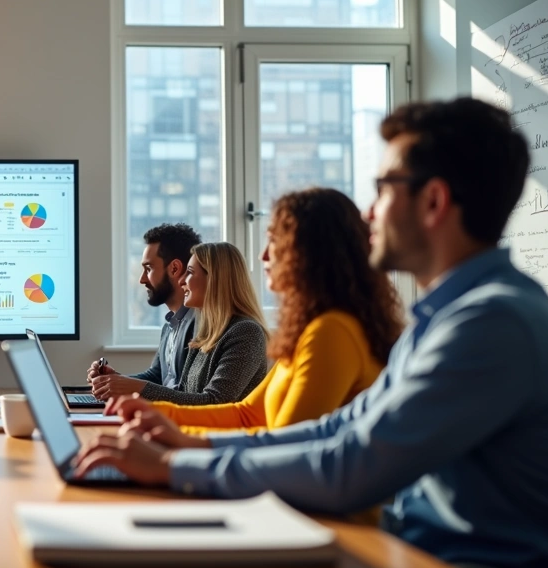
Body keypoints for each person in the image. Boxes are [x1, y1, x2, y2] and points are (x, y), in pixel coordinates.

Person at [75, 98, 548, 568]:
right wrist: (193, 445)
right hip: (417, 559)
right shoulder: (446, 318)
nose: (369, 212)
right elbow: (337, 428)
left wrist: (173, 466)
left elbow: (351, 465)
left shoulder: (491, 323)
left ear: (433, 202)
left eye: (382, 189)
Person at [110, 188, 403, 440]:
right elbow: (247, 414)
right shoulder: (308, 331)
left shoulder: (333, 332)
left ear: (312, 253)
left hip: (307, 503)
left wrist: (176, 455)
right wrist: (153, 414)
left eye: (274, 241)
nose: (263, 256)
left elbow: (285, 447)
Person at [93, 242, 268, 406]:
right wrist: (120, 382)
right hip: (190, 431)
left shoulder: (246, 332)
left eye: (190, 272)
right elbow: (181, 392)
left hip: (221, 438)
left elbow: (215, 402)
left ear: (214, 279)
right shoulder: (205, 333)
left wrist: (136, 388)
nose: (181, 280)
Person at [86, 223, 200, 398]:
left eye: (149, 269)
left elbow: (188, 395)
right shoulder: (171, 324)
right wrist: (114, 381)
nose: (142, 279)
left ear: (174, 268)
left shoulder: (200, 325)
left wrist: (124, 386)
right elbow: (157, 377)